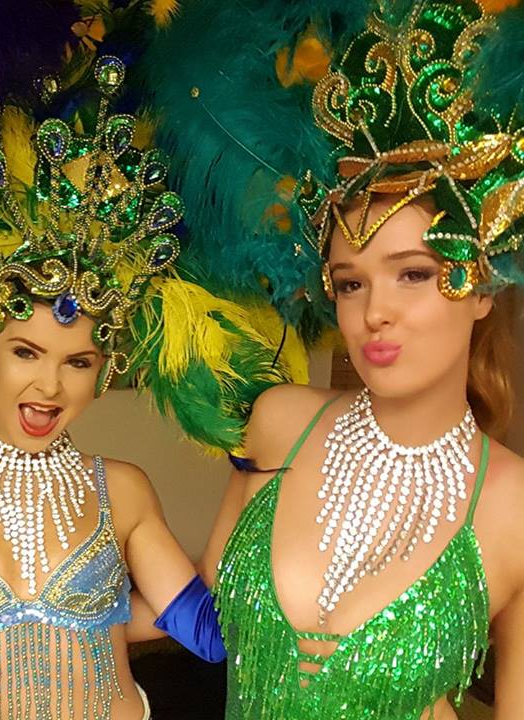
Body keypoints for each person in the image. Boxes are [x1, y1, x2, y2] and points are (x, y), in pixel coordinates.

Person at [0, 47, 301, 719]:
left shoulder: (121, 489)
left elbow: (208, 634)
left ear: (102, 374)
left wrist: (248, 469)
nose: (49, 385)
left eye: (77, 362)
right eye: (26, 352)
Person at [146, 0, 524, 717]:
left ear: (481, 289)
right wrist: (63, 611)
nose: (374, 311)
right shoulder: (280, 421)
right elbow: (205, 614)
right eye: (350, 283)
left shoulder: (515, 507)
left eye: (413, 274)